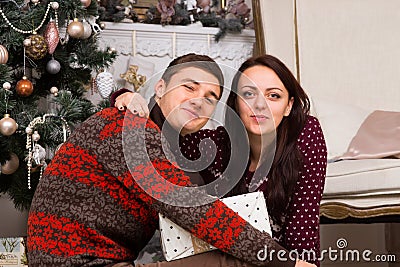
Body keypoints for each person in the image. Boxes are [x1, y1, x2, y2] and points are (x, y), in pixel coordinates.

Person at [27, 53, 314, 267]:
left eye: (210, 96)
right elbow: (197, 211)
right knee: (239, 261)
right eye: (189, 87)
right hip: (77, 264)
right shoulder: (130, 130)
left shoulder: (167, 143)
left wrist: (123, 93)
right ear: (160, 88)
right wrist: (286, 262)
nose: (198, 100)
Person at [113, 54, 327, 266]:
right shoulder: (217, 146)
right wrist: (125, 97)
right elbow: (162, 134)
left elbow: (304, 223)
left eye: (273, 96)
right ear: (236, 104)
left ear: (289, 106)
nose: (260, 105)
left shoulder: (306, 134)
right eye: (249, 94)